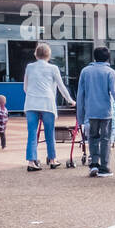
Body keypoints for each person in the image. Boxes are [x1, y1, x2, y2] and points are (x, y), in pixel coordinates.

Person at [22, 42, 74, 172]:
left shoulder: (29, 67)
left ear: (36, 54)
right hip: (47, 103)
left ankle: (31, 161)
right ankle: (52, 159)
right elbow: (61, 86)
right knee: (50, 133)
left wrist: (33, 94)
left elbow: (25, 87)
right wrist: (70, 100)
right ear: (49, 55)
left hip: (31, 103)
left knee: (32, 133)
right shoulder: (53, 68)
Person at [76, 46, 115, 177]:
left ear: (94, 57)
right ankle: (104, 166)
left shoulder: (85, 71)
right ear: (108, 57)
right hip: (105, 111)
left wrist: (80, 114)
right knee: (105, 138)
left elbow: (80, 94)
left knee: (92, 137)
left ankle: (94, 163)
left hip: (90, 110)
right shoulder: (110, 72)